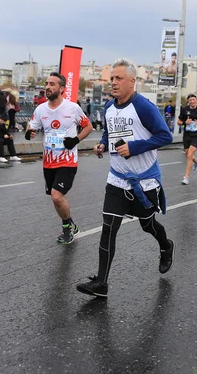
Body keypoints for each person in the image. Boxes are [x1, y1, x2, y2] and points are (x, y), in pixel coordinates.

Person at [76, 58, 174, 298]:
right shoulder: (109, 107)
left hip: (143, 181)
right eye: (112, 78)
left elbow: (165, 136)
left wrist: (135, 147)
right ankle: (101, 283)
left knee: (147, 224)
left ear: (132, 81)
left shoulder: (144, 107)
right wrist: (101, 144)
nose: (114, 83)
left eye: (119, 78)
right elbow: (110, 132)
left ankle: (165, 245)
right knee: (108, 228)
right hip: (117, 179)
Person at [25, 72, 93, 244]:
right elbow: (31, 126)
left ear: (62, 88)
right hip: (49, 161)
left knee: (56, 196)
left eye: (52, 84)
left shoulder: (73, 108)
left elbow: (88, 126)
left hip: (68, 160)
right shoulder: (41, 109)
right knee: (54, 198)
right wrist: (29, 132)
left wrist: (76, 140)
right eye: (46, 83)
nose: (47, 87)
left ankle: (67, 228)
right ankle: (71, 224)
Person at [177, 94, 197, 184]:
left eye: (193, 99)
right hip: (186, 135)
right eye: (190, 100)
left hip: (196, 135)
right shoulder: (185, 110)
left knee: (189, 155)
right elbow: (178, 122)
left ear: (196, 100)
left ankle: (186, 178)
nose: (192, 101)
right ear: (188, 101)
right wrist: (185, 122)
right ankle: (196, 161)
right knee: (188, 154)